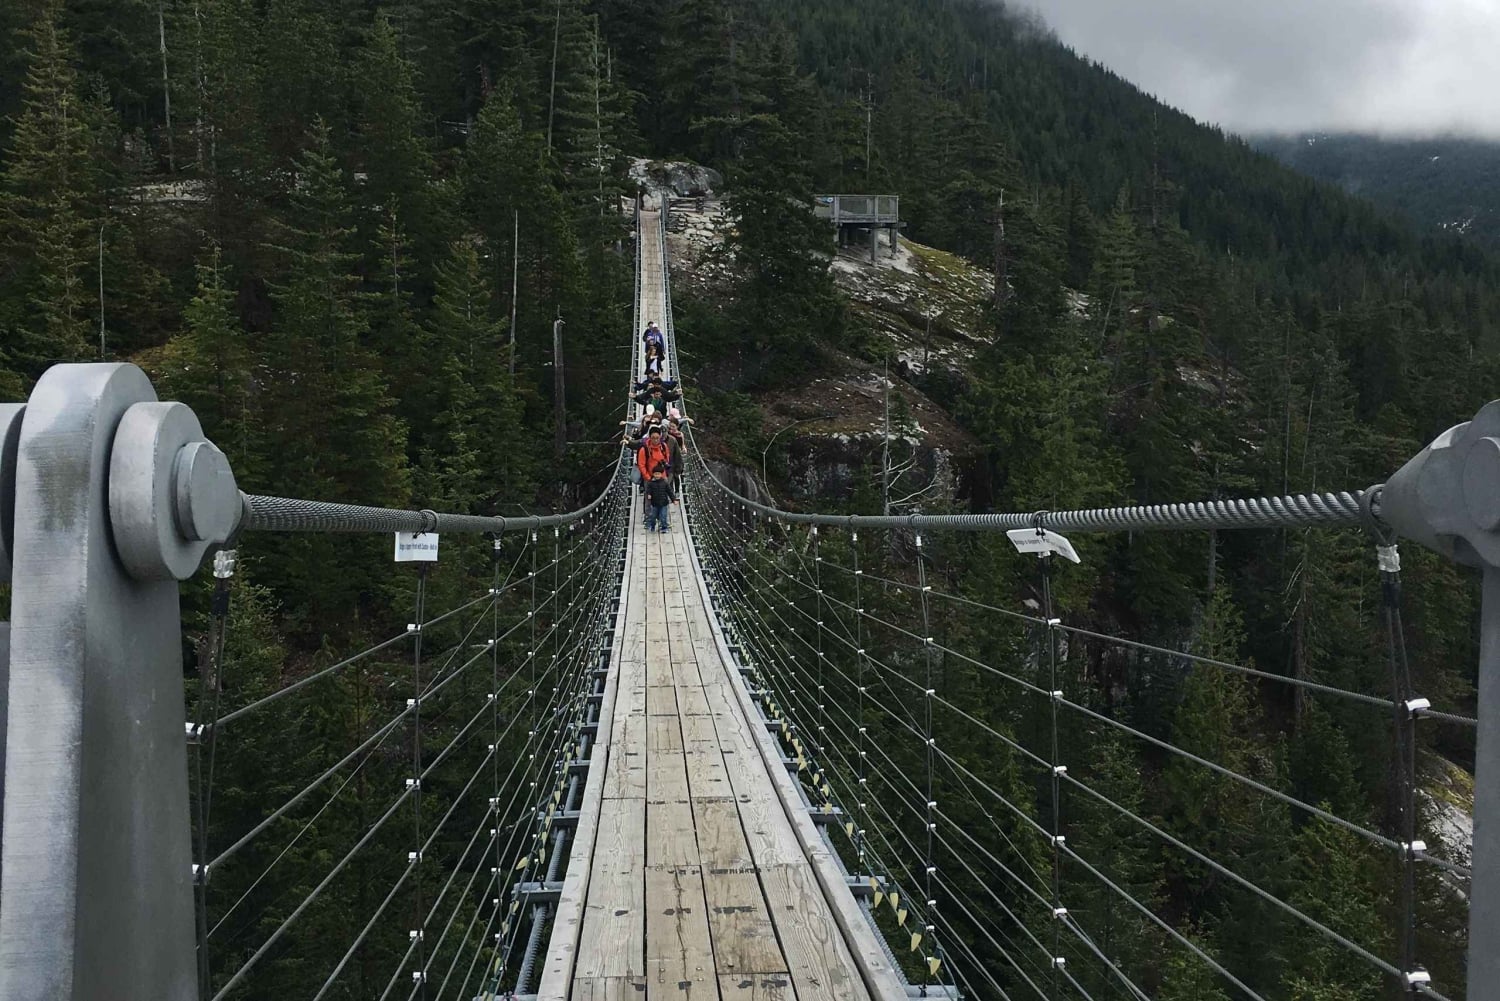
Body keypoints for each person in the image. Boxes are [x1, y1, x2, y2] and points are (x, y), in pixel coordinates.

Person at [635, 424, 671, 524]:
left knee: (663, 499)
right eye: (653, 438)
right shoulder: (644, 449)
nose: (655, 440)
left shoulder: (663, 446)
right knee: (649, 498)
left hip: (662, 477)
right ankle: (648, 519)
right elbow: (641, 464)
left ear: (660, 437)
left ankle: (662, 520)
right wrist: (647, 477)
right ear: (649, 437)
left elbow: (667, 458)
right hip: (650, 478)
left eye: (657, 438)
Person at [644, 468, 674, 533]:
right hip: (654, 503)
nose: (657, 475)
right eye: (656, 474)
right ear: (653, 474)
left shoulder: (664, 482)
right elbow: (648, 490)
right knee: (653, 516)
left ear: (661, 474)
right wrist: (649, 494)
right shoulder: (651, 483)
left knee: (663, 516)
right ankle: (652, 526)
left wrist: (673, 499)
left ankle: (664, 527)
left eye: (658, 474)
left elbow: (669, 491)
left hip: (664, 503)